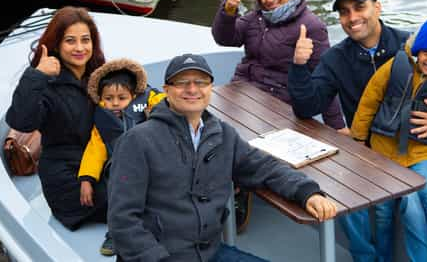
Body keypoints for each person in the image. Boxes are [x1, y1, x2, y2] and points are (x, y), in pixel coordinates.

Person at [288, 0, 427, 261]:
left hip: (415, 147)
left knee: (410, 199)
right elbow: (307, 106)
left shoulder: (413, 47)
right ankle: (366, 257)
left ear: (377, 7)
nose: (353, 17)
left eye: (360, 7)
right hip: (366, 150)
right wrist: (299, 67)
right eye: (344, 12)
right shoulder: (335, 58)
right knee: (340, 192)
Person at [108, 53, 338, 262]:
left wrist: (307, 192)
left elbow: (264, 167)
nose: (192, 89)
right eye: (182, 83)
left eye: (200, 82)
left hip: (210, 253)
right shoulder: (137, 141)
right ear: (166, 90)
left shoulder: (221, 134)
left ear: (210, 88)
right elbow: (123, 220)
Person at [211, 0, 345, 231]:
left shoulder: (311, 26)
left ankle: (239, 191)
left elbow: (325, 78)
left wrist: (337, 125)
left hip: (279, 101)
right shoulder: (255, 18)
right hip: (241, 90)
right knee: (211, 129)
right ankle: (221, 187)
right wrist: (228, 9)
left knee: (244, 143)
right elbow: (226, 38)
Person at [351, 1, 427, 262]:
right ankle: (383, 257)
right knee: (383, 211)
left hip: (423, 151)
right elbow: (369, 101)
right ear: (417, 51)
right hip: (385, 151)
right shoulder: (396, 67)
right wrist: (358, 139)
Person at [5, 6, 107, 230]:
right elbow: (22, 122)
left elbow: (137, 96)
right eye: (70, 40)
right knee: (138, 200)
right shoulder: (45, 84)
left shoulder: (99, 75)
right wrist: (36, 76)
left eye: (85, 40)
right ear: (57, 44)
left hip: (100, 165)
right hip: (67, 180)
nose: (80, 48)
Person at [78, 58, 166, 256]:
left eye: (121, 97)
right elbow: (94, 150)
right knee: (118, 199)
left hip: (150, 164)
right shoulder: (102, 120)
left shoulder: (147, 102)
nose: (115, 103)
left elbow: (163, 101)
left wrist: (156, 110)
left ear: (133, 96)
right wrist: (86, 179)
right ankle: (116, 234)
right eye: (108, 98)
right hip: (120, 170)